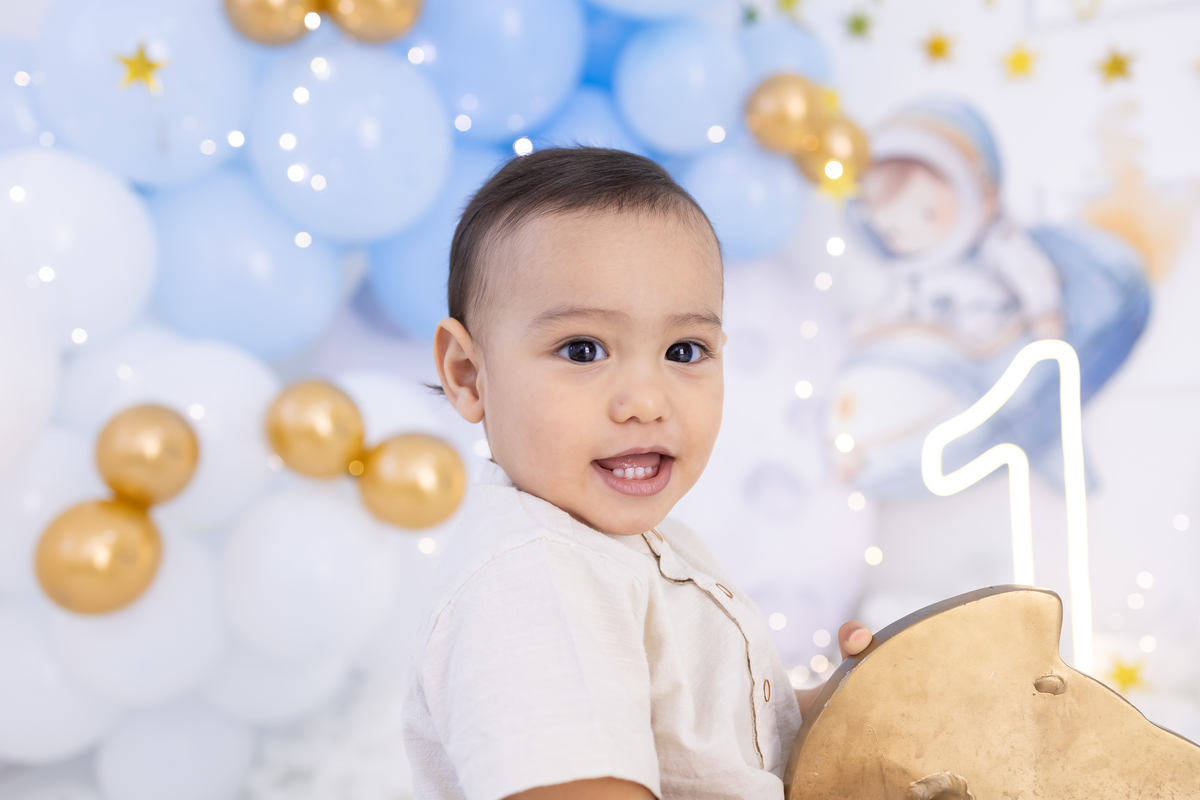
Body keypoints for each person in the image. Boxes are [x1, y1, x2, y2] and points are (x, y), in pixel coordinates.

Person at [403, 147, 873, 800]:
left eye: (684, 351)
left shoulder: (648, 550)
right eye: (583, 350)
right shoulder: (531, 576)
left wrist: (842, 707)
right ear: (467, 374)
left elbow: (710, 744)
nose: (647, 402)